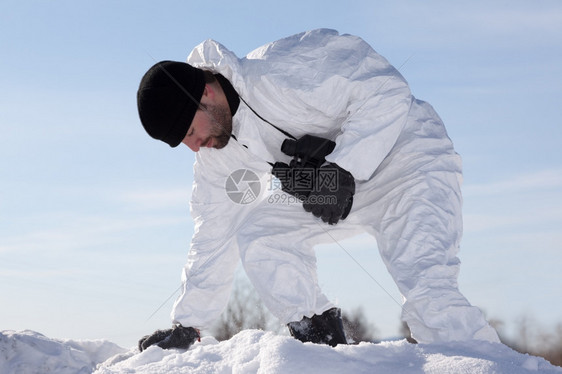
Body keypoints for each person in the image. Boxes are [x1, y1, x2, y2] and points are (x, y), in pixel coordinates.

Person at [136, 29, 500, 351]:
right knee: (261, 234)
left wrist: (344, 167)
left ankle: (485, 363)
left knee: (428, 295)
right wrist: (188, 324)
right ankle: (321, 338)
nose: (195, 147)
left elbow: (387, 88)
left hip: (411, 163)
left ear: (206, 93)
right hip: (337, 192)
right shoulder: (219, 155)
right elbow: (213, 233)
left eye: (188, 133)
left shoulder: (282, 70)